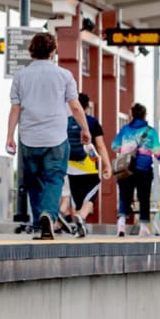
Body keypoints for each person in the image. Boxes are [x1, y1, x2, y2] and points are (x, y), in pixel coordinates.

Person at [5, 32, 90, 241]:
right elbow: (76, 107)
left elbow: (15, 108)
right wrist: (85, 129)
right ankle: (48, 216)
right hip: (56, 138)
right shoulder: (64, 75)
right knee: (54, 179)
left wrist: (9, 136)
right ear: (53, 51)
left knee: (33, 182)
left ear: (31, 51)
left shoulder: (21, 76)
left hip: (29, 138)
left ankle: (38, 223)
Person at [112, 103, 160, 237]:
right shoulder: (150, 131)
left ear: (132, 114)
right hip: (144, 169)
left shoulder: (125, 130)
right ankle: (143, 227)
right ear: (144, 115)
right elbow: (158, 152)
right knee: (144, 197)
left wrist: (127, 148)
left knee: (125, 196)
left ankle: (121, 225)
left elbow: (115, 147)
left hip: (126, 168)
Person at [61, 92, 112, 238]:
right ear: (87, 107)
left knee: (76, 200)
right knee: (90, 198)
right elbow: (100, 146)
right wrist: (107, 165)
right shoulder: (92, 122)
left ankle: (78, 227)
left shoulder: (66, 122)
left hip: (70, 167)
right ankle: (81, 217)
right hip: (89, 167)